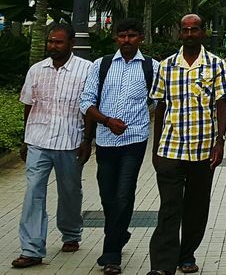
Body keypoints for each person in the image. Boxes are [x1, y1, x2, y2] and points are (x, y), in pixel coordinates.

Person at [147, 14, 226, 275]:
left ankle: (186, 255)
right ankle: (162, 266)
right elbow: (160, 107)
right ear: (179, 34)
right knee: (169, 207)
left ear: (202, 32)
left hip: (203, 148)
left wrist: (219, 142)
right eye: (184, 30)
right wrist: (155, 148)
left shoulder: (215, 65)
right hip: (171, 148)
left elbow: (222, 104)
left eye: (194, 30)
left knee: (196, 207)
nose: (189, 34)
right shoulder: (166, 66)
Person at [13, 24, 94, 269]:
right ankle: (32, 248)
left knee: (70, 191)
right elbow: (29, 104)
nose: (53, 46)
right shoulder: (36, 70)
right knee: (33, 192)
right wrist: (26, 139)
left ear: (71, 44)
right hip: (38, 140)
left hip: (70, 142)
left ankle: (70, 233)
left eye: (58, 42)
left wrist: (87, 141)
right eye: (50, 42)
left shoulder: (87, 70)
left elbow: (89, 109)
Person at [81, 18, 155, 275]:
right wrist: (106, 121)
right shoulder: (100, 66)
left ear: (140, 38)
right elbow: (86, 102)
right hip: (105, 140)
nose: (127, 40)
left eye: (132, 36)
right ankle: (120, 232)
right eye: (122, 36)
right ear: (115, 38)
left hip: (134, 140)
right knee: (107, 195)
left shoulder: (151, 67)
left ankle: (111, 255)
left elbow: (161, 101)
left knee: (124, 194)